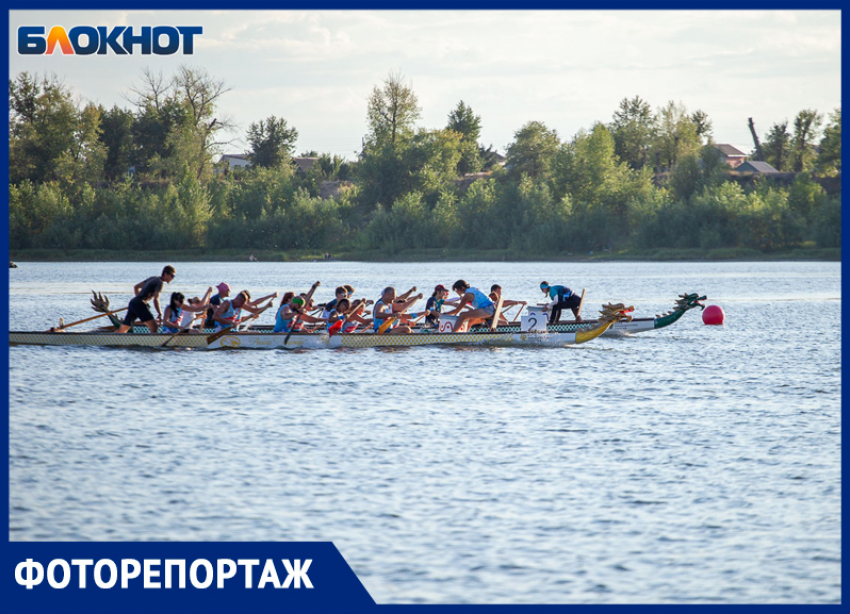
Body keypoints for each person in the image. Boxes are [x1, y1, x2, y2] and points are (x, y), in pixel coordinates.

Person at [116, 265, 176, 333]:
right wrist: (159, 313)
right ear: (165, 274)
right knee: (154, 327)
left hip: (133, 302)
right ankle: (152, 343)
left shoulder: (153, 278)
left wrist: (139, 299)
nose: (172, 278)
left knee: (124, 328)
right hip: (139, 304)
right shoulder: (160, 283)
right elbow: (156, 299)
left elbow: (136, 287)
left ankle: (112, 339)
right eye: (172, 276)